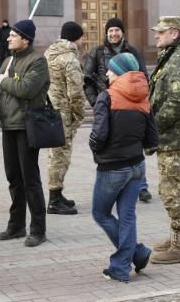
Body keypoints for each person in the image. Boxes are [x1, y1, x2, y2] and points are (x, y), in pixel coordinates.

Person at [0, 20, 50, 247]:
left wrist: (5, 80)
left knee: (30, 179)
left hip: (27, 126)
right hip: (8, 125)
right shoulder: (8, 61)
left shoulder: (37, 62)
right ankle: (16, 225)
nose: (8, 39)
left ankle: (38, 229)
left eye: (12, 35)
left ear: (25, 39)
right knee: (13, 178)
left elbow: (26, 89)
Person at [90, 52, 158, 282]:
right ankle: (137, 254)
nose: (107, 73)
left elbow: (98, 135)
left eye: (110, 69)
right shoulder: (144, 97)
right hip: (137, 166)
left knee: (100, 213)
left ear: (119, 72)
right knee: (127, 216)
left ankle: (121, 266)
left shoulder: (106, 97)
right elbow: (152, 139)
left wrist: (96, 150)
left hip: (112, 167)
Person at [83, 17, 153, 203]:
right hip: (107, 105)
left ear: (123, 32)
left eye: (116, 30)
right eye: (110, 31)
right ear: (106, 34)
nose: (113, 34)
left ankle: (141, 186)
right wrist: (96, 102)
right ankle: (114, 185)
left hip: (131, 105)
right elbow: (87, 80)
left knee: (134, 143)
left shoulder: (133, 51)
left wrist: (142, 99)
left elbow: (144, 77)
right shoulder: (97, 52)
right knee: (109, 142)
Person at [148, 16, 180, 264]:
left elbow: (178, 102)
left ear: (174, 33)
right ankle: (175, 235)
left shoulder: (179, 58)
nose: (156, 35)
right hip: (170, 136)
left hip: (174, 136)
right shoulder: (170, 55)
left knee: (172, 189)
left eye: (161, 32)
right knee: (168, 187)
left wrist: (152, 128)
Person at [44, 21, 86, 215]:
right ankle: (54, 200)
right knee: (61, 156)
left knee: (55, 155)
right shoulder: (70, 59)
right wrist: (78, 115)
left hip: (50, 110)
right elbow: (76, 93)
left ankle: (57, 194)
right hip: (63, 114)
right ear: (77, 37)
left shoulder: (48, 54)